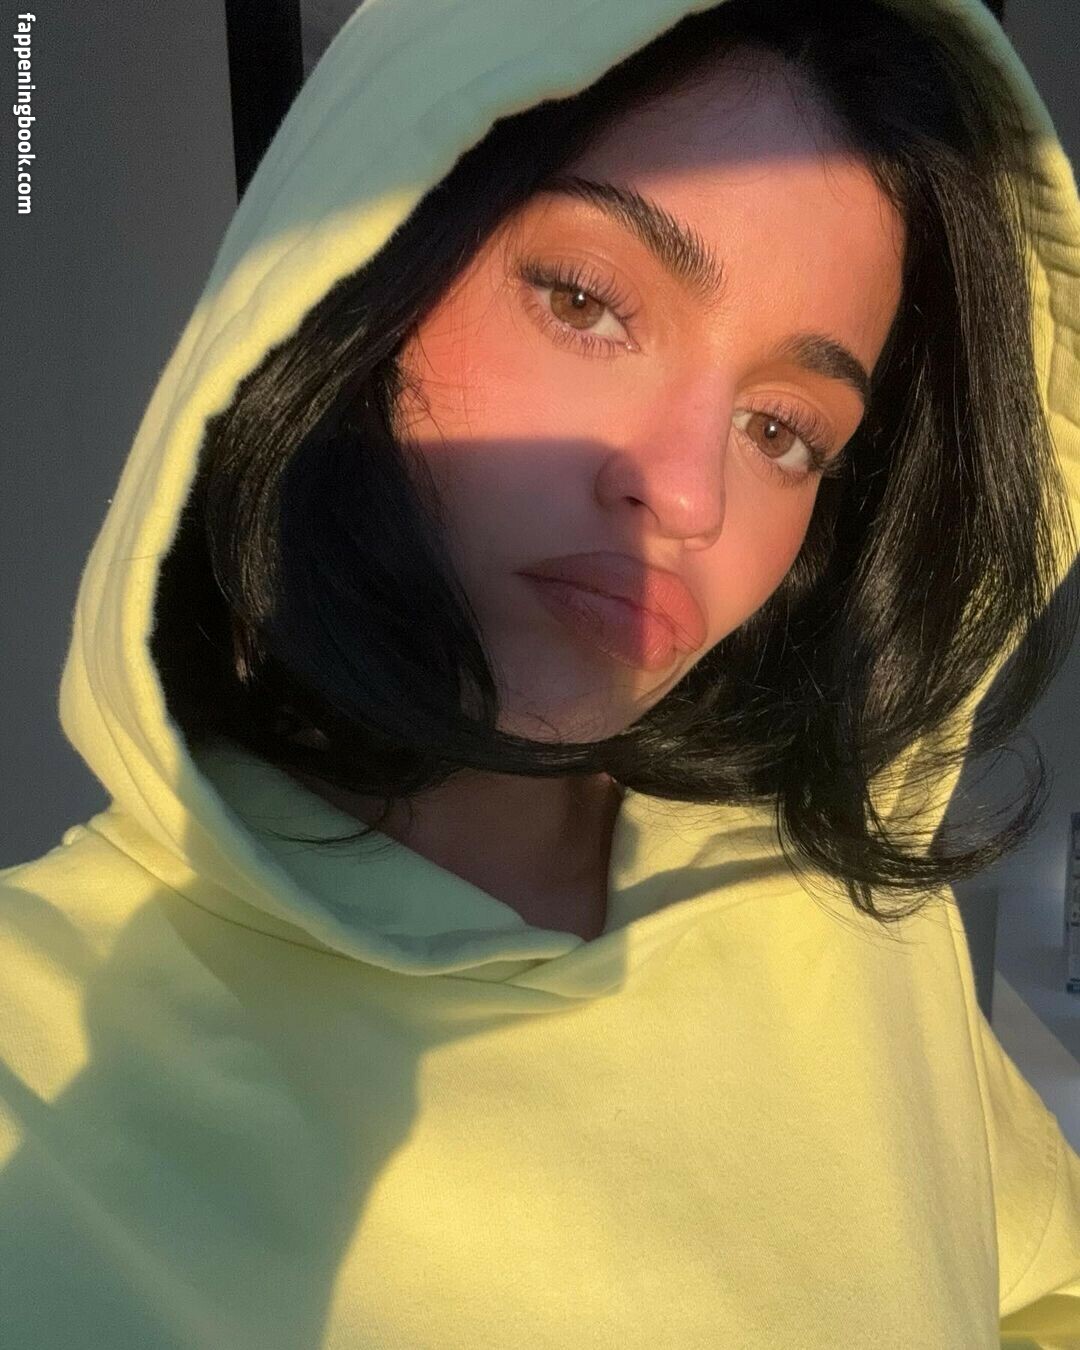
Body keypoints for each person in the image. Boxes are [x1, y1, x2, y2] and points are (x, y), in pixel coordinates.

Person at [2, 0, 1079, 1344]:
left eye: (784, 431)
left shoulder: (844, 914)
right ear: (356, 272)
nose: (687, 496)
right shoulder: (44, 1063)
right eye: (585, 302)